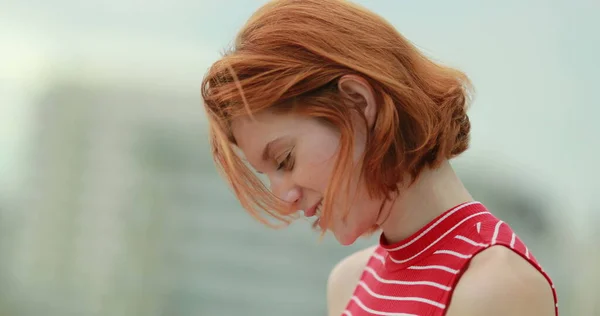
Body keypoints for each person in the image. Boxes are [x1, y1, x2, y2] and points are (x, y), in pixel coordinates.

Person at [201, 0, 558, 315]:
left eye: (285, 160)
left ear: (358, 103)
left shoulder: (497, 288)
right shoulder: (349, 284)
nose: (283, 198)